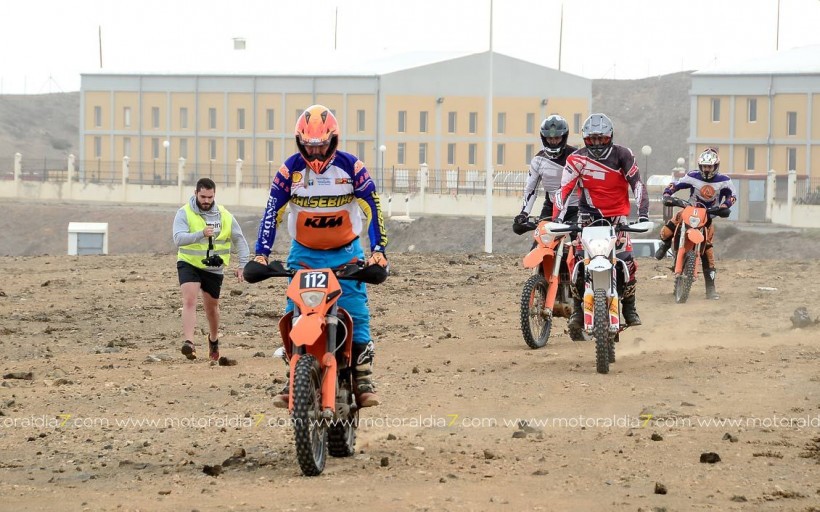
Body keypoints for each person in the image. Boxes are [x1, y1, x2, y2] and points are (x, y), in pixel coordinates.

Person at [254, 104, 388, 408]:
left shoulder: (352, 168)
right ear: (301, 142)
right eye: (310, 146)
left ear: (334, 140)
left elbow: (373, 208)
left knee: (355, 307)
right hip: (304, 254)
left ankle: (362, 376)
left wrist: (379, 252)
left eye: (322, 145)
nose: (316, 154)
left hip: (346, 252)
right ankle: (294, 376)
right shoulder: (289, 171)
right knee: (294, 311)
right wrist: (261, 255)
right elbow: (271, 213)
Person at [555, 113, 649, 327]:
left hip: (617, 218)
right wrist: (558, 219)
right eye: (592, 140)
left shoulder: (623, 155)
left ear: (610, 137)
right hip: (587, 219)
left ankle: (629, 307)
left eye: (602, 139)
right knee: (578, 263)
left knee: (628, 262)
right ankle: (578, 310)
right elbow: (564, 191)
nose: (597, 144)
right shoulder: (576, 159)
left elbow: (638, 185)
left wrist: (642, 214)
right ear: (585, 139)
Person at [173, 178, 250, 361]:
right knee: (189, 300)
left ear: (214, 195)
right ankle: (189, 343)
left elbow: (239, 239)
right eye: (203, 196)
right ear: (196, 194)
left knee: (211, 308)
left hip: (213, 268)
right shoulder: (184, 213)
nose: (206, 200)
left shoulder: (225, 215)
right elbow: (178, 239)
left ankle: (213, 339)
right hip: (188, 262)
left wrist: (243, 265)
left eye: (210, 197)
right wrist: (200, 234)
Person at [654, 147, 737, 299]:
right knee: (668, 229)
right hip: (689, 210)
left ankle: (711, 289)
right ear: (700, 166)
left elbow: (732, 196)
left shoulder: (724, 181)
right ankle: (665, 245)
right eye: (704, 166)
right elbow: (676, 184)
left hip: (708, 216)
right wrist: (667, 193)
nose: (706, 169)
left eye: (709, 166)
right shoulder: (692, 176)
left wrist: (725, 206)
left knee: (708, 252)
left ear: (715, 166)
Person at [513, 114, 579, 228]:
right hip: (551, 206)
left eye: (557, 138)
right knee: (540, 244)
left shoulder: (576, 156)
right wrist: (524, 213)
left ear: (564, 137)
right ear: (544, 138)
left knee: (580, 243)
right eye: (550, 138)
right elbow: (531, 189)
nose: (553, 141)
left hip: (577, 208)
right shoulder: (538, 160)